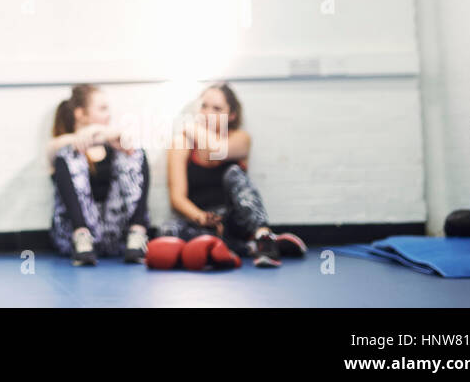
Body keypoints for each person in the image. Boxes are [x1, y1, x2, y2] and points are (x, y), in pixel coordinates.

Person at [160, 83, 305, 267]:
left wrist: (192, 128)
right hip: (203, 221)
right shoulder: (181, 144)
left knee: (233, 173)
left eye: (216, 109)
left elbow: (217, 149)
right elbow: (177, 198)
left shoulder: (241, 139)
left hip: (234, 220)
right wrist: (203, 218)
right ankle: (247, 248)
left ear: (232, 116)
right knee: (167, 230)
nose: (207, 113)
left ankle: (264, 238)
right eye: (204, 106)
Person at [47, 84, 150, 265]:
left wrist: (96, 132)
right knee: (69, 153)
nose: (108, 114)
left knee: (134, 153)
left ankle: (137, 234)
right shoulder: (62, 146)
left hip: (114, 236)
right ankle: (81, 236)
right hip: (72, 239)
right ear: (81, 114)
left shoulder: (113, 144)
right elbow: (52, 148)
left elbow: (128, 141)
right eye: (102, 109)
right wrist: (86, 135)